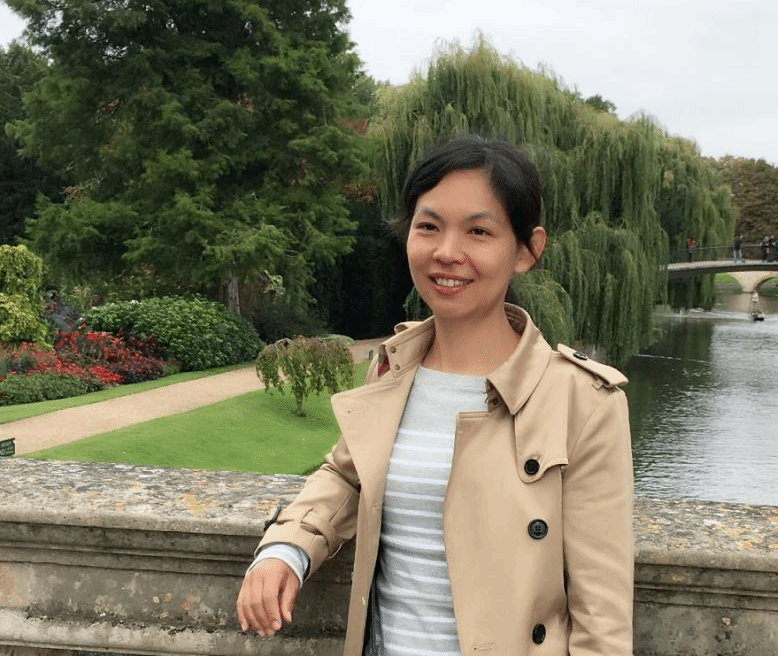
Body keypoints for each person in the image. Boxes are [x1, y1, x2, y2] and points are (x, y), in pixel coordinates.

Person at [236, 134, 635, 656]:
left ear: (527, 250)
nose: (446, 252)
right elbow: (348, 475)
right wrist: (287, 548)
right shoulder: (393, 368)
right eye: (428, 226)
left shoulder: (583, 400)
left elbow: (601, 618)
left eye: (478, 231)